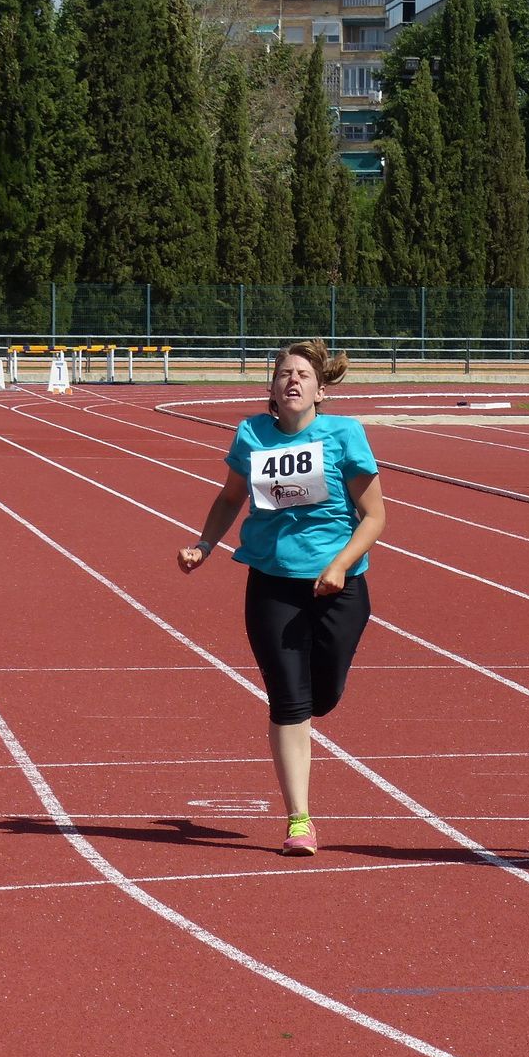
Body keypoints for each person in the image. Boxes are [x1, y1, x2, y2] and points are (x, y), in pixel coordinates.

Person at [178, 339, 386, 856]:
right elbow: (230, 497)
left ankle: (310, 708)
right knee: (289, 702)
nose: (292, 380)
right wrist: (204, 544)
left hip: (338, 586)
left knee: (324, 697)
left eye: (302, 374)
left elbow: (376, 516)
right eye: (283, 373)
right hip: (272, 583)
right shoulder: (252, 434)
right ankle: (299, 819)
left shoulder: (344, 434)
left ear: (320, 389)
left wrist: (339, 565)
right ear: (272, 388)